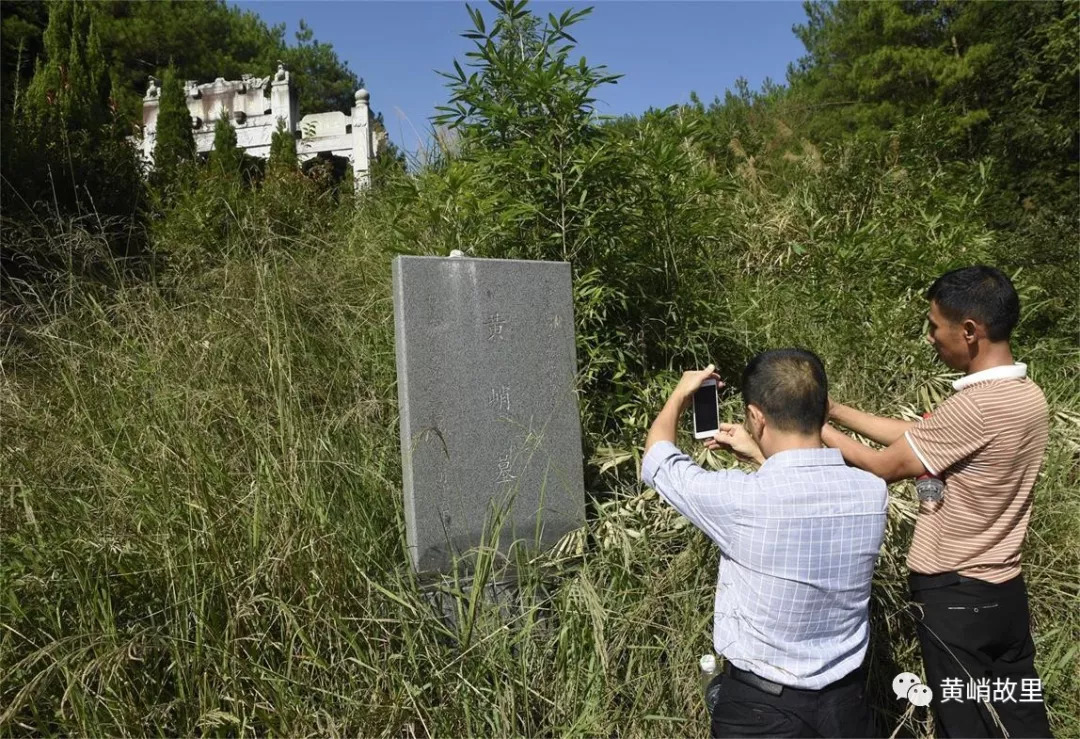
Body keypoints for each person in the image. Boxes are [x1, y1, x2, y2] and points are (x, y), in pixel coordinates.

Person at [822, 265, 1053, 738]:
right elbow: (924, 438)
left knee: (962, 722)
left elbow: (883, 466)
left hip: (956, 598)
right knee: (1021, 713)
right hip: (1004, 594)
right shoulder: (1026, 396)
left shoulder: (975, 405)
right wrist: (837, 411)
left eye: (934, 325)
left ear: (969, 331)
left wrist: (812, 425)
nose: (930, 338)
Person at [641, 349, 886, 738]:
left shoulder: (741, 501)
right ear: (824, 413)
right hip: (846, 709)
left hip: (761, 713)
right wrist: (760, 454)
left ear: (756, 417)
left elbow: (658, 459)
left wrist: (681, 395)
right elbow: (802, 493)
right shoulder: (872, 493)